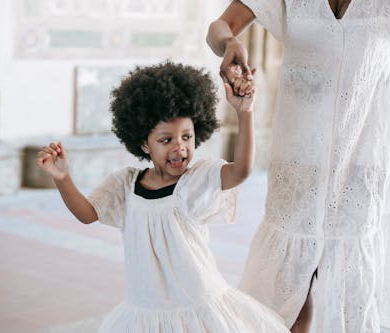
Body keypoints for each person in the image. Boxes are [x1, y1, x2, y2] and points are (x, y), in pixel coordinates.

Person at [207, 1, 390, 332]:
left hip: (362, 167)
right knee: (291, 291)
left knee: (353, 292)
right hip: (297, 166)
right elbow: (219, 27)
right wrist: (230, 42)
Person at [36, 61, 289, 332]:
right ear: (144, 143)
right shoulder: (126, 184)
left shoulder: (197, 181)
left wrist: (245, 112)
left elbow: (240, 171)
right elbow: (86, 214)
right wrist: (63, 178)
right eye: (166, 140)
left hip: (199, 308)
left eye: (186, 137)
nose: (179, 147)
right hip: (147, 309)